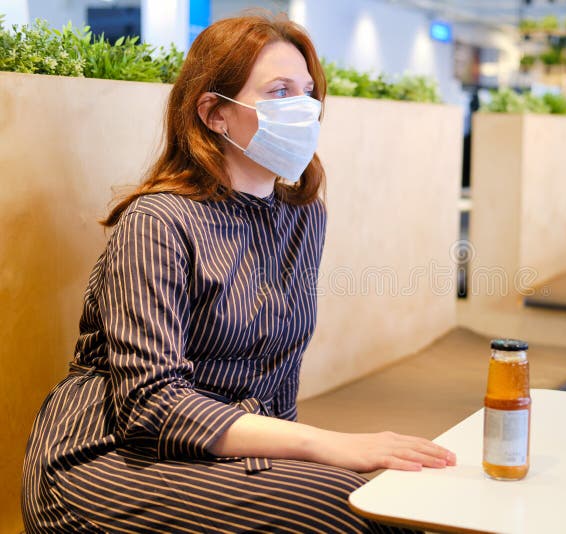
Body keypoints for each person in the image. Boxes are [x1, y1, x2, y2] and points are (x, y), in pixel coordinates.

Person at [22, 12, 455, 533]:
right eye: (278, 92)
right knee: (355, 511)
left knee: (393, 500)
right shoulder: (159, 222)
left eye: (307, 92)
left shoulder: (301, 214)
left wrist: (294, 466)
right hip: (110, 459)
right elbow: (152, 406)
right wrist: (326, 445)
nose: (302, 108)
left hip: (217, 456)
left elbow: (276, 373)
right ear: (214, 113)